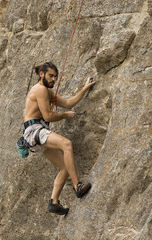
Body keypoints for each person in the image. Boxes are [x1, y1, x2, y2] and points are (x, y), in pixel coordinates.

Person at [22, 62, 95, 215]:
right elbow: (48, 116)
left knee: (64, 167)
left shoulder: (46, 92)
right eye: (50, 76)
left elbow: (68, 103)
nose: (53, 79)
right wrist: (64, 116)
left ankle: (54, 202)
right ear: (41, 74)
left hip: (35, 134)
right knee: (67, 145)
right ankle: (78, 186)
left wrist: (85, 88)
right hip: (35, 131)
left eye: (55, 76)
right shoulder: (40, 90)